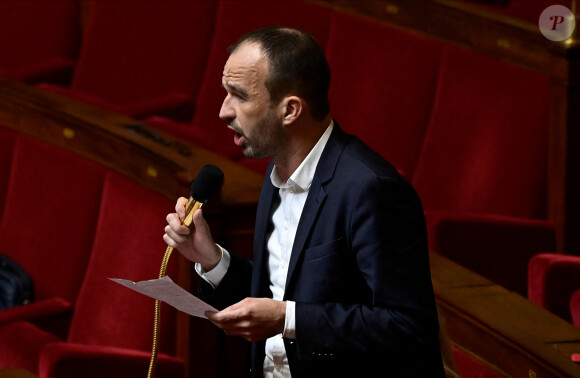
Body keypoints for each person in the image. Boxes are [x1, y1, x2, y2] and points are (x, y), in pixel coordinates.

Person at [164, 25, 445, 377]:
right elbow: (284, 290)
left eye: (239, 95)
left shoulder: (371, 190)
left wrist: (288, 319)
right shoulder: (276, 173)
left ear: (290, 110)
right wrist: (212, 258)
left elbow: (408, 327)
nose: (223, 111)